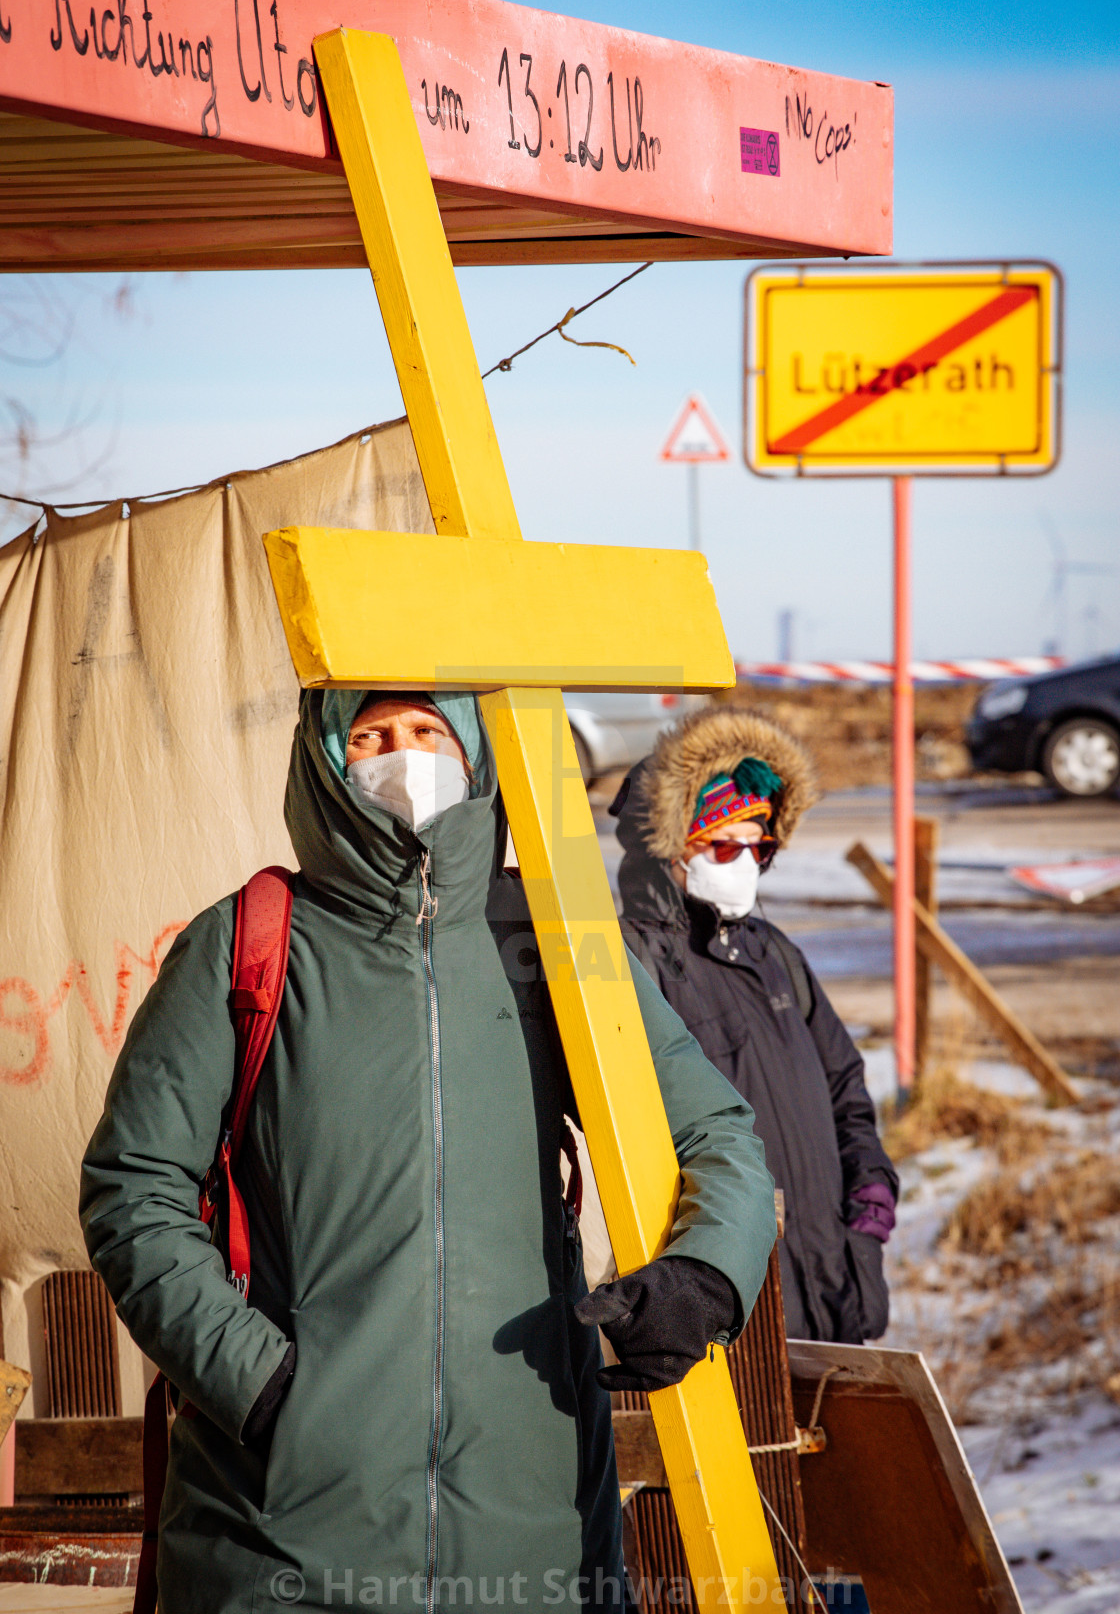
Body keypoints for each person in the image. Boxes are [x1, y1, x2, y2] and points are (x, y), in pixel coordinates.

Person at [80, 688, 777, 1614]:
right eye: (369, 736)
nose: (401, 758)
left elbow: (715, 1130)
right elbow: (135, 1186)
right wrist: (262, 1385)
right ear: (326, 762)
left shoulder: (549, 941)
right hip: (282, 1537)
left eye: (427, 732)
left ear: (476, 753)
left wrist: (707, 1278)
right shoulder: (247, 944)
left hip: (534, 1530)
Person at [613, 705, 898, 1346]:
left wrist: (870, 1203)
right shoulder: (632, 960)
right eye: (723, 844)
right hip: (732, 1299)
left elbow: (845, 1088)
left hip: (834, 1278)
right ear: (669, 841)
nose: (744, 861)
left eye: (758, 845)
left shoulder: (775, 953)